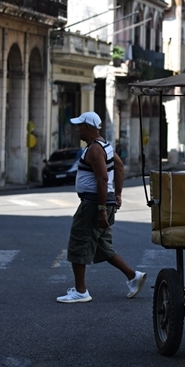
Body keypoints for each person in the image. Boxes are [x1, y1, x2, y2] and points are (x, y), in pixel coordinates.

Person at [57, 111, 145, 304]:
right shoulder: (105, 146)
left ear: (89, 128)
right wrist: (118, 194)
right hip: (102, 202)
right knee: (103, 247)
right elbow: (119, 167)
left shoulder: (95, 150)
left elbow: (103, 178)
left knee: (78, 243)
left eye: (80, 126)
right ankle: (133, 276)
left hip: (93, 204)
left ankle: (81, 291)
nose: (77, 129)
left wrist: (102, 208)